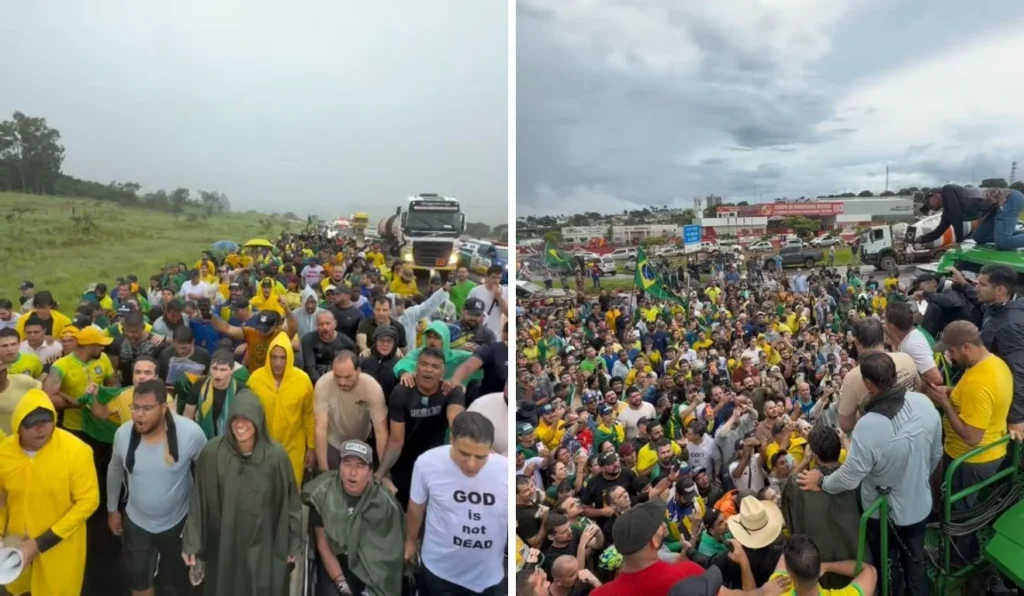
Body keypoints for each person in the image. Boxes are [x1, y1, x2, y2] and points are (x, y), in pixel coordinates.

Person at [797, 352, 941, 596]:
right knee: (916, 560)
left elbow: (850, 477)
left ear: (868, 384)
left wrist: (822, 481)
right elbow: (935, 454)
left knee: (888, 563)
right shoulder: (924, 403)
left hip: (884, 514)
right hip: (919, 503)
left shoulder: (867, 425)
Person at [181, 389, 302, 596]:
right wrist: (192, 542)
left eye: (248, 419)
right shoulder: (212, 453)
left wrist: (293, 542)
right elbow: (199, 499)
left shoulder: (275, 456)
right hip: (224, 543)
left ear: (259, 420)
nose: (240, 424)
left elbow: (290, 501)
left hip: (264, 544)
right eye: (236, 418)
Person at [106, 379, 207, 595]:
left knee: (178, 581)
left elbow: (205, 476)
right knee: (139, 580)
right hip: (137, 522)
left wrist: (200, 523)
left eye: (147, 408)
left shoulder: (190, 433)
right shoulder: (123, 435)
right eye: (136, 407)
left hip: (178, 523)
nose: (139, 415)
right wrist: (112, 508)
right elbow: (114, 470)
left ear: (163, 407)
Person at [924, 320, 1012, 560]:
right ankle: (964, 548)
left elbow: (972, 437)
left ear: (966, 347)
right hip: (985, 452)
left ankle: (954, 558)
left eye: (951, 351)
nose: (950, 357)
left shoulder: (978, 382)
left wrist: (944, 405)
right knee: (964, 507)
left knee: (961, 513)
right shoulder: (993, 364)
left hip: (971, 458)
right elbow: (974, 402)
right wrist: (951, 392)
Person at [0, 389, 99, 596]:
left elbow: (88, 502)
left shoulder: (77, 451)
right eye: (31, 423)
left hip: (59, 547)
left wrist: (40, 543)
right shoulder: (4, 453)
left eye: (46, 421)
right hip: (13, 551)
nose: (40, 429)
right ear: (18, 425)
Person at [406, 411, 508, 595]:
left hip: (488, 577)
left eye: (480, 457)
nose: (471, 464)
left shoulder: (505, 471)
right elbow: (416, 506)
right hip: (440, 571)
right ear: (451, 439)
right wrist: (411, 541)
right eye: (464, 453)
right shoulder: (427, 463)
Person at [302, 439, 406, 596]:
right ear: (340, 467)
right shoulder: (322, 494)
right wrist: (343, 587)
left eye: (360, 465)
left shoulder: (385, 504)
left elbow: (389, 558)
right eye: (347, 463)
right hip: (337, 562)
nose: (352, 472)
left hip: (372, 567)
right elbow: (324, 545)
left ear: (370, 471)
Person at [379, 347, 466, 506]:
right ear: (416, 367)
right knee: (404, 507)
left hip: (437, 462)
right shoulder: (401, 392)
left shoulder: (451, 392)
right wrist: (381, 473)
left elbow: (457, 423)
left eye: (435, 366)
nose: (428, 370)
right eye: (424, 364)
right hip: (405, 462)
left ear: (443, 371)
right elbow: (396, 440)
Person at [248, 332, 315, 487]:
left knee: (290, 490)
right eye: (274, 357)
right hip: (262, 447)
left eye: (283, 357)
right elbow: (248, 414)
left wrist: (311, 447)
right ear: (268, 358)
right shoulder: (255, 379)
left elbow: (309, 415)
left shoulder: (302, 380)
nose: (278, 362)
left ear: (290, 358)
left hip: (293, 447)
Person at [313, 350, 390, 471]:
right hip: (333, 442)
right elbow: (320, 428)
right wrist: (323, 469)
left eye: (348, 377)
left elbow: (381, 432)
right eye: (337, 376)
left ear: (358, 371)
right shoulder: (323, 385)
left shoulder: (372, 388)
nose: (342, 382)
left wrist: (384, 471)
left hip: (361, 441)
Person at [917, 185, 1023, 250]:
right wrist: (918, 240)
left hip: (1008, 199)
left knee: (1003, 242)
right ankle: (1015, 235)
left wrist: (959, 241)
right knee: (979, 237)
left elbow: (957, 215)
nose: (930, 207)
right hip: (995, 208)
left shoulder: (947, 190)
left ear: (934, 195)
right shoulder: (948, 211)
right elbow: (937, 232)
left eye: (928, 204)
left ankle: (1007, 237)